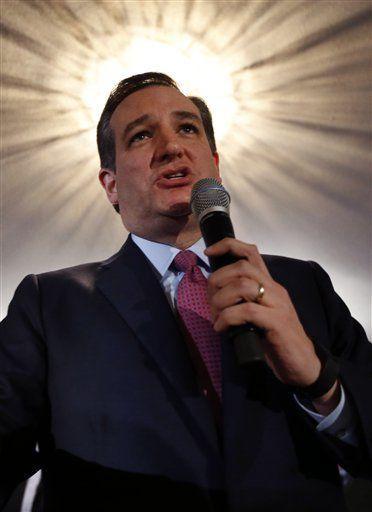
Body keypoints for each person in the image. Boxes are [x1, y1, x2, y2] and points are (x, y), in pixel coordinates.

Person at [0, 72, 371, 512]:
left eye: (188, 128)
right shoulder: (50, 303)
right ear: (111, 184)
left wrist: (319, 378)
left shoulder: (304, 284)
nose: (172, 146)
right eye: (141, 135)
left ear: (214, 163)